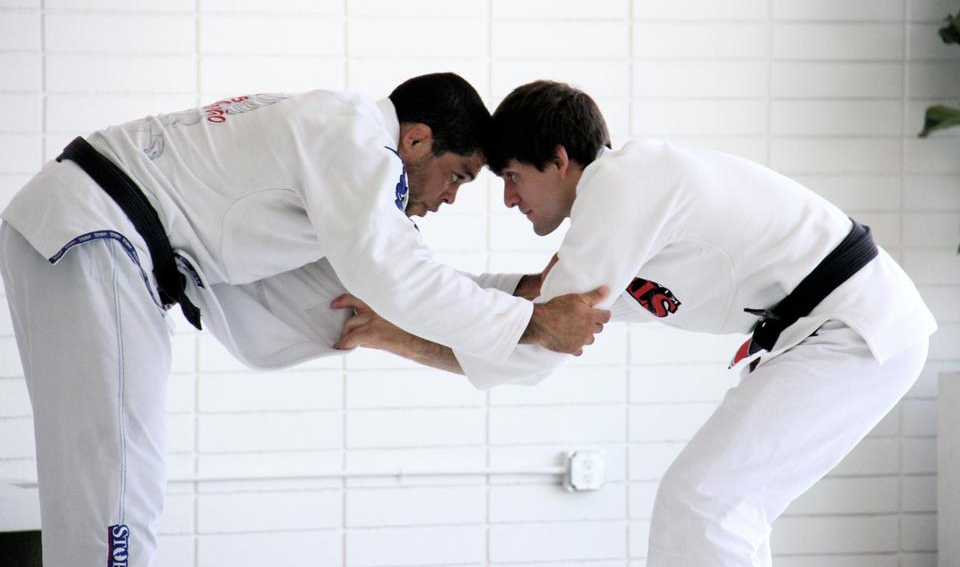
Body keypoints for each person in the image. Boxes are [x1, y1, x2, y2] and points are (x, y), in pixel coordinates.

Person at [0, 73, 611, 567]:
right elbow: (395, 276)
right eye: (459, 176)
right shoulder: (355, 142)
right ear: (418, 140)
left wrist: (523, 296)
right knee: (119, 483)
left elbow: (362, 291)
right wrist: (534, 326)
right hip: (96, 233)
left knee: (101, 481)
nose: (451, 197)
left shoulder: (333, 157)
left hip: (77, 231)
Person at [332, 80, 937, 566]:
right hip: (842, 330)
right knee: (726, 507)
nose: (510, 200)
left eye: (512, 177)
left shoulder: (623, 186)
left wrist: (399, 333)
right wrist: (395, 317)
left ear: (560, 160)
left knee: (705, 501)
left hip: (856, 327)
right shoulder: (619, 215)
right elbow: (532, 312)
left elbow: (532, 349)